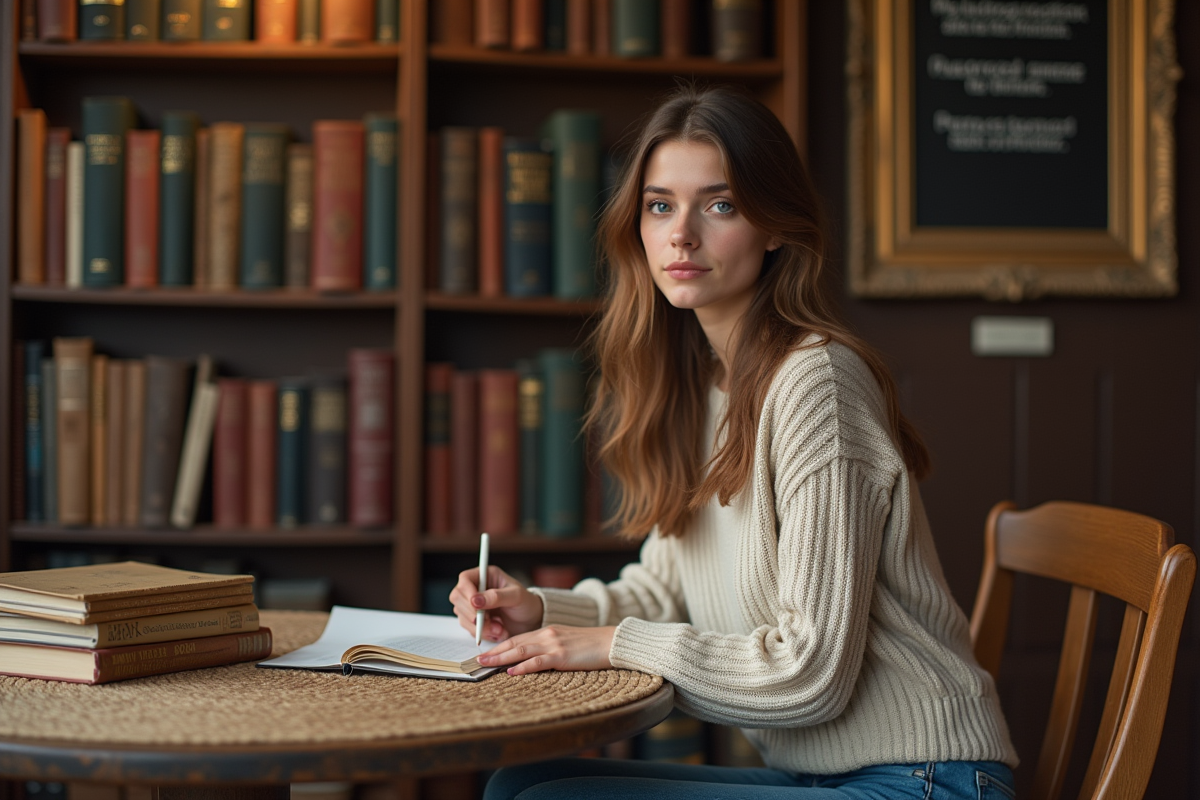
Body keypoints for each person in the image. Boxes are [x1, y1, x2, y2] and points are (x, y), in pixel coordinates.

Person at [450, 84, 1018, 800]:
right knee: (522, 784)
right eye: (660, 206)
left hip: (926, 779)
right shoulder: (702, 385)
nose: (681, 234)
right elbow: (663, 590)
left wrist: (608, 644)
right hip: (825, 774)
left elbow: (809, 674)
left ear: (775, 227)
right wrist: (541, 609)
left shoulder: (818, 384)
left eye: (719, 205)